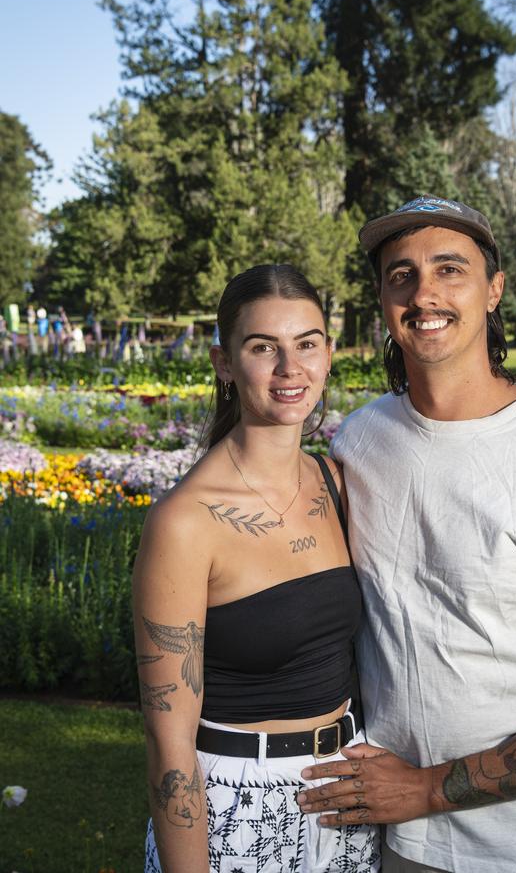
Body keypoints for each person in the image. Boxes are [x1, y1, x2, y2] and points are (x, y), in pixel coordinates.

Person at [297, 196, 516, 873]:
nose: (423, 291)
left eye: (449, 269)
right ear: (382, 299)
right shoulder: (363, 437)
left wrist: (424, 788)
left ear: (494, 290)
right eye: (400, 274)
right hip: (382, 835)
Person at [132, 264, 380, 873]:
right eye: (263, 347)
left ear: (327, 354)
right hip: (239, 809)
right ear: (224, 363)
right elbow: (169, 741)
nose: (289, 369)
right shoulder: (185, 522)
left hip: (347, 797)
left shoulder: (335, 482)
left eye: (307, 344)